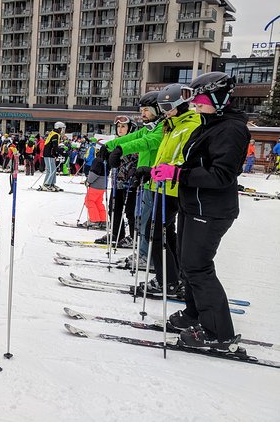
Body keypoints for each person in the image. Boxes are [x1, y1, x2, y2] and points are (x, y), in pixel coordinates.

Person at [153, 71, 250, 350]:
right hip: (192, 203)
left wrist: (178, 175)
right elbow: (196, 164)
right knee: (188, 264)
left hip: (210, 208)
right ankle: (195, 313)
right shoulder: (209, 123)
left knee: (198, 266)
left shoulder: (230, 129)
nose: (196, 104)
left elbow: (221, 175)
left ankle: (218, 332)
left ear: (220, 98)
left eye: (202, 99)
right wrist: (173, 172)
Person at [134, 83, 200, 295]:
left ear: (181, 105)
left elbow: (185, 158)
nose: (165, 112)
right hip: (162, 187)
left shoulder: (190, 125)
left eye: (168, 107)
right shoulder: (170, 125)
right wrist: (151, 171)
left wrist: (167, 172)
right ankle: (172, 277)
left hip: (174, 189)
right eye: (163, 108)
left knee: (154, 232)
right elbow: (164, 158)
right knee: (165, 233)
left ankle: (168, 280)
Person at [101, 92, 164, 270]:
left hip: (155, 180)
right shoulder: (151, 126)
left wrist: (121, 149)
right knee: (145, 219)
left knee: (147, 220)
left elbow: (146, 141)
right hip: (146, 180)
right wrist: (110, 146)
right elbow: (133, 138)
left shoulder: (161, 127)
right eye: (141, 110)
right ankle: (144, 254)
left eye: (146, 110)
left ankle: (148, 256)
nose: (142, 114)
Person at [95, 116, 139, 247]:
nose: (120, 129)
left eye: (123, 126)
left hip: (131, 182)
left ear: (130, 128)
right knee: (113, 208)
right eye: (118, 127)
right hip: (117, 182)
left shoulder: (134, 141)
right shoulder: (115, 142)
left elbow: (135, 159)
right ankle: (116, 233)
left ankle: (133, 236)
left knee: (131, 211)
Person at [81, 155, 107, 229]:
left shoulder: (97, 160)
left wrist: (88, 181)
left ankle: (94, 220)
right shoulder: (105, 159)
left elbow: (94, 173)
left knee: (89, 201)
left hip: (96, 185)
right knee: (98, 202)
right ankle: (103, 220)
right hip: (102, 185)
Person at [39, 122, 64, 191]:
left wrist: (56, 153)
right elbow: (54, 146)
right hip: (48, 154)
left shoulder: (54, 133)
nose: (62, 130)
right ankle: (46, 184)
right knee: (50, 170)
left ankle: (52, 183)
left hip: (51, 154)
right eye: (61, 128)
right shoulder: (55, 135)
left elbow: (54, 146)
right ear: (58, 128)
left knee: (53, 170)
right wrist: (61, 151)